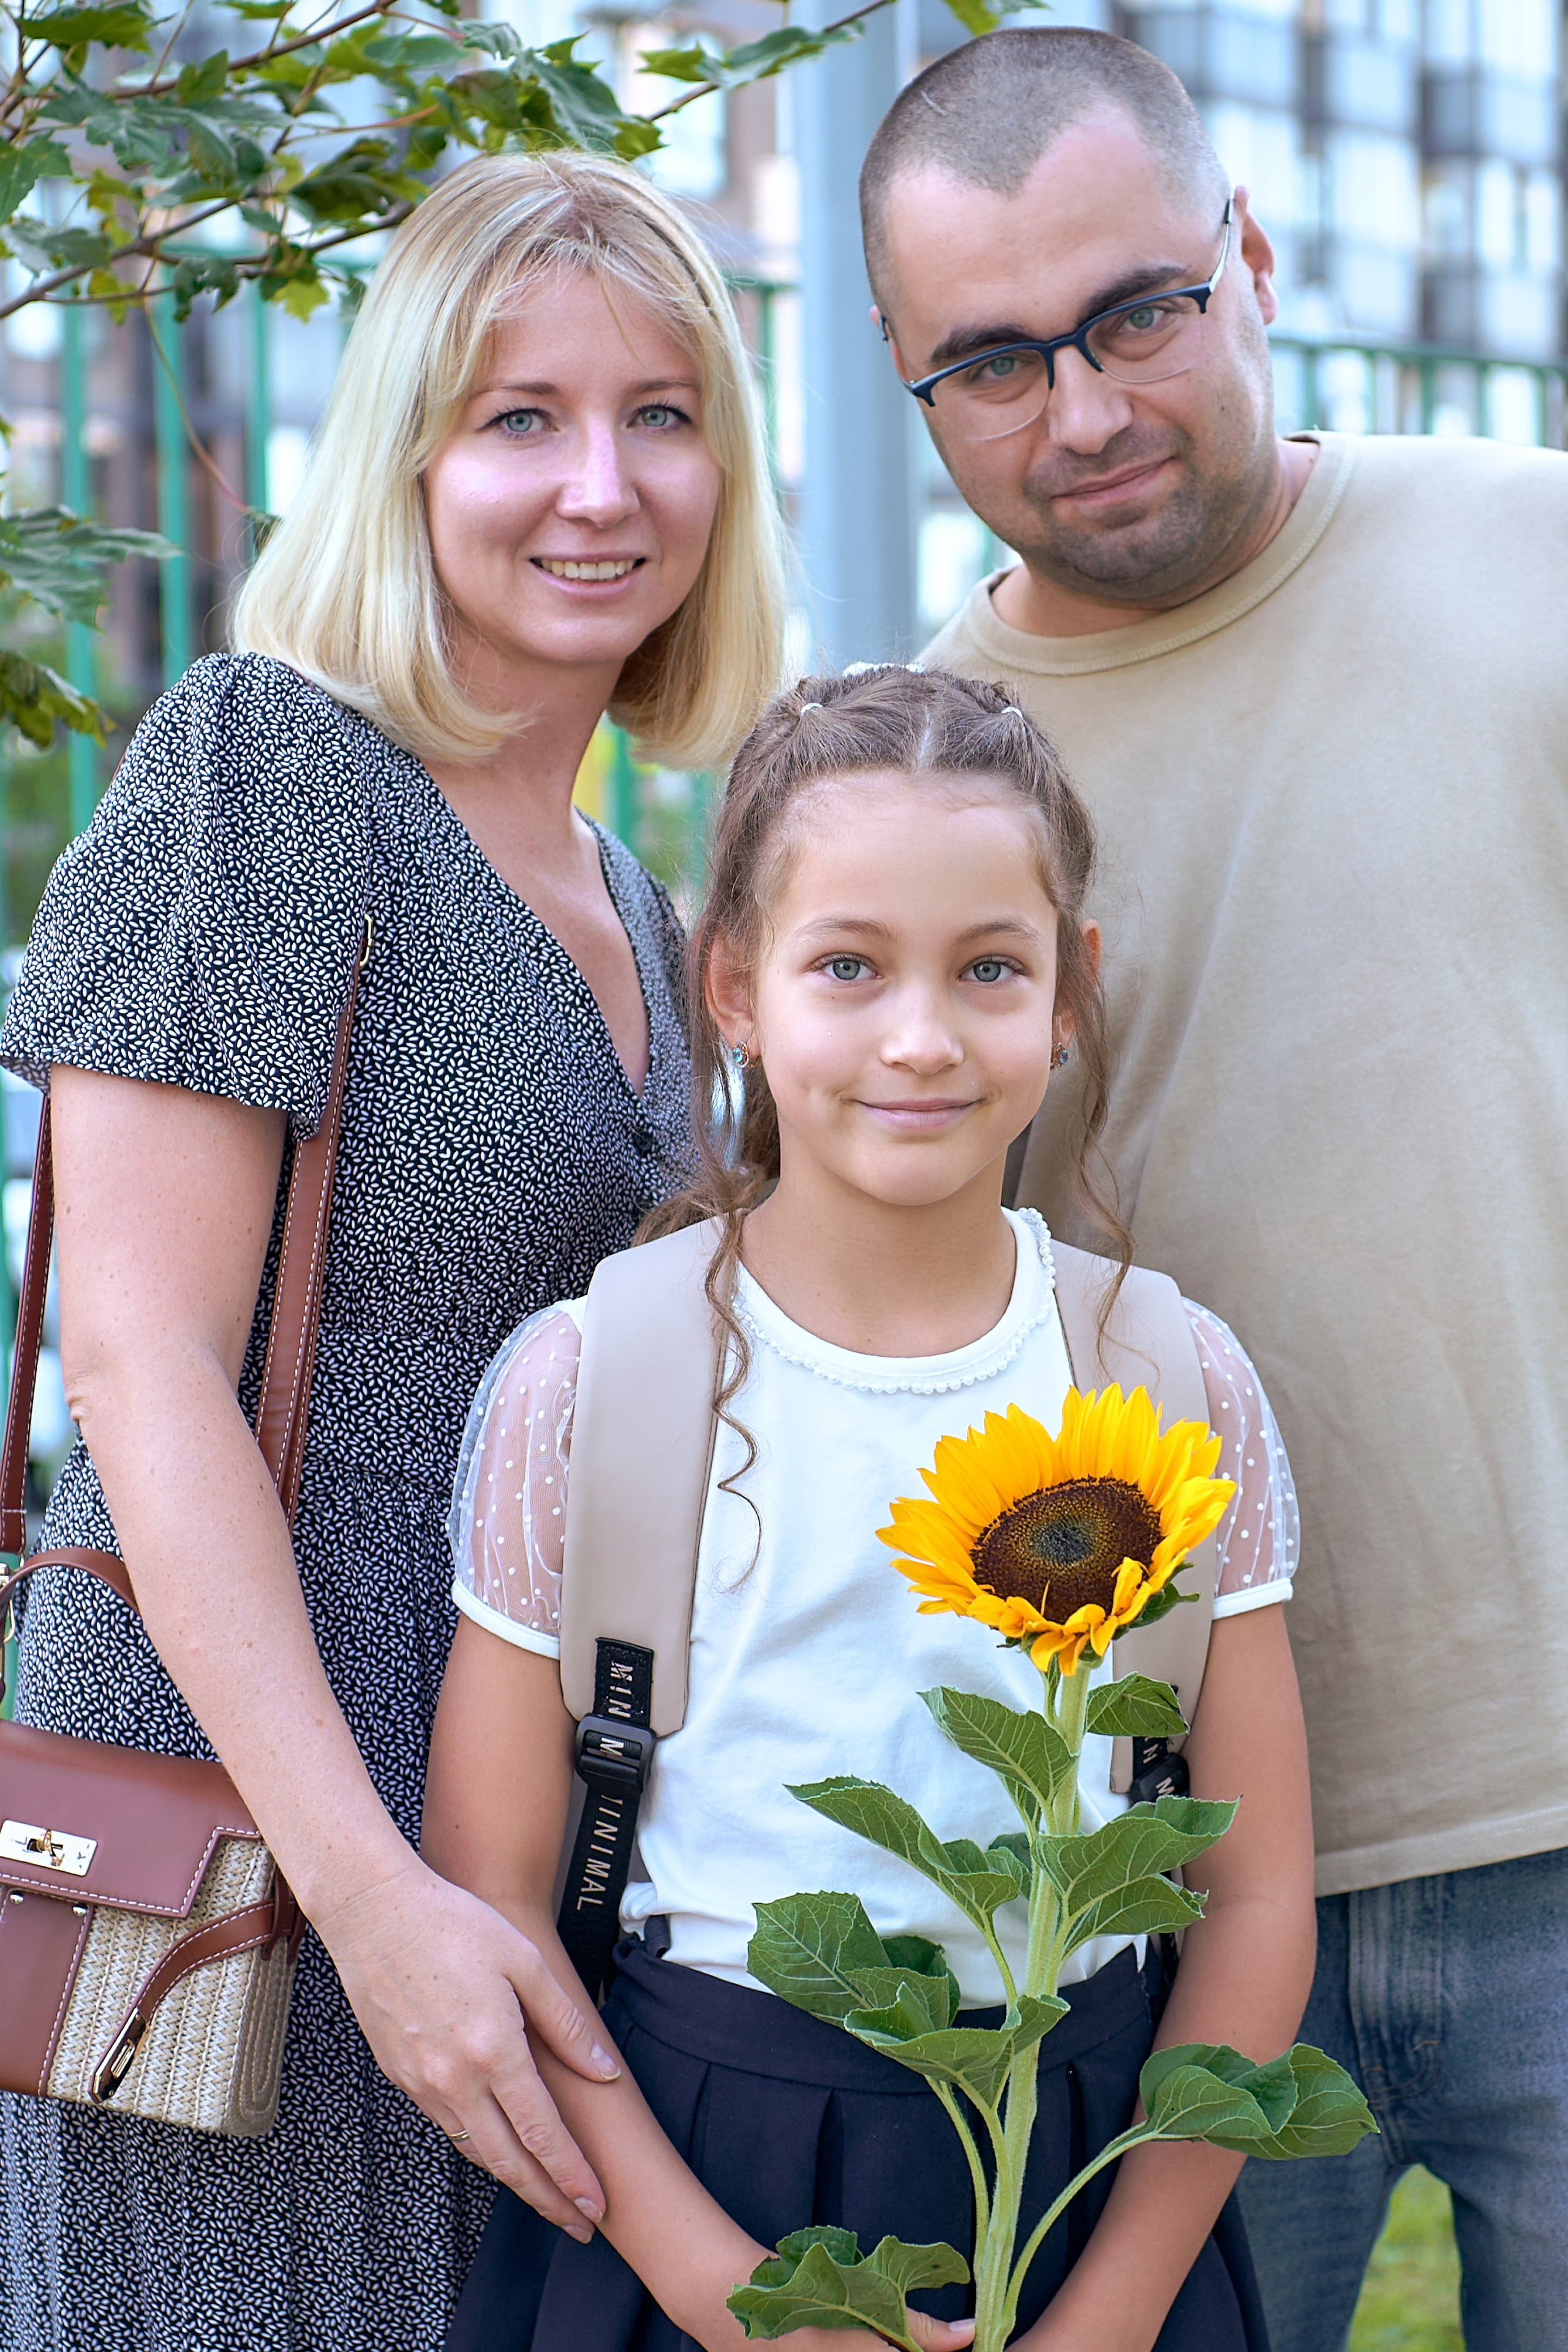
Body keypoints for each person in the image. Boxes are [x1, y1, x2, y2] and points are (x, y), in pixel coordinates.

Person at [0, 151, 785, 2352]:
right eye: (517, 417)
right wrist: (370, 1897)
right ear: (408, 459)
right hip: (241, 1841)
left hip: (511, 1814)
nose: (599, 486)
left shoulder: (639, 904)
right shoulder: (271, 766)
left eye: (662, 413)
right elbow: (135, 1365)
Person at [859, 26, 1568, 2348]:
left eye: (1138, 311)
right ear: (909, 384)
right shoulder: (916, 799)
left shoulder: (1535, 557)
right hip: (1156, 1875)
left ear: (1250, 257)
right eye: (992, 360)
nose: (1079, 410)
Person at [423, 665, 1313, 2352]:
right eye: (849, 967)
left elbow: (1257, 1903)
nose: (921, 1036)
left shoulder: (1169, 1377)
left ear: (1071, 995)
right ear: (738, 988)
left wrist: (1115, 2311)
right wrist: (716, 2287)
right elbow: (495, 1891)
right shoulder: (599, 1380)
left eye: (989, 968)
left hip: (1085, 2182)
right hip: (688, 2168)